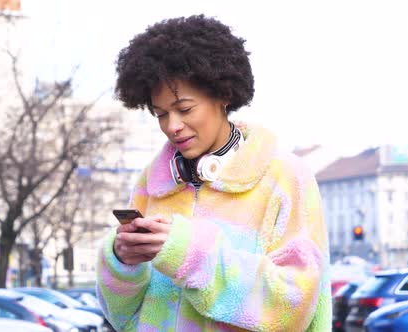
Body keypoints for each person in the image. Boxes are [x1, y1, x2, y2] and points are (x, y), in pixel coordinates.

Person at [96, 15, 331, 331]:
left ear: (223, 95)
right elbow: (123, 317)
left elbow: (295, 307)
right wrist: (122, 263)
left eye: (185, 109)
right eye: (161, 114)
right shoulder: (151, 184)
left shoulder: (284, 177)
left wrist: (191, 255)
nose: (172, 126)